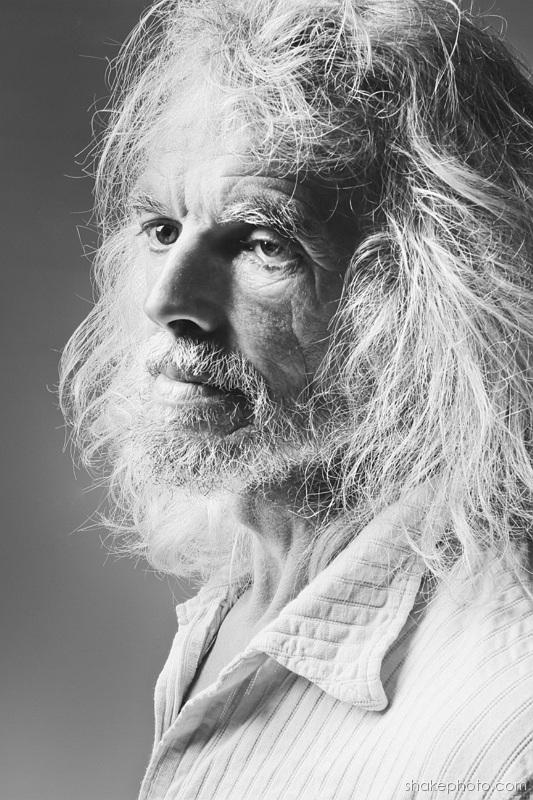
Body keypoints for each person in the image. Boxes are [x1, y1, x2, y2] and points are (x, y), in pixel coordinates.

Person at [60, 0, 533, 797]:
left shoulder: (499, 732)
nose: (167, 300)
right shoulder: (241, 596)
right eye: (163, 229)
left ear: (435, 294)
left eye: (263, 243)